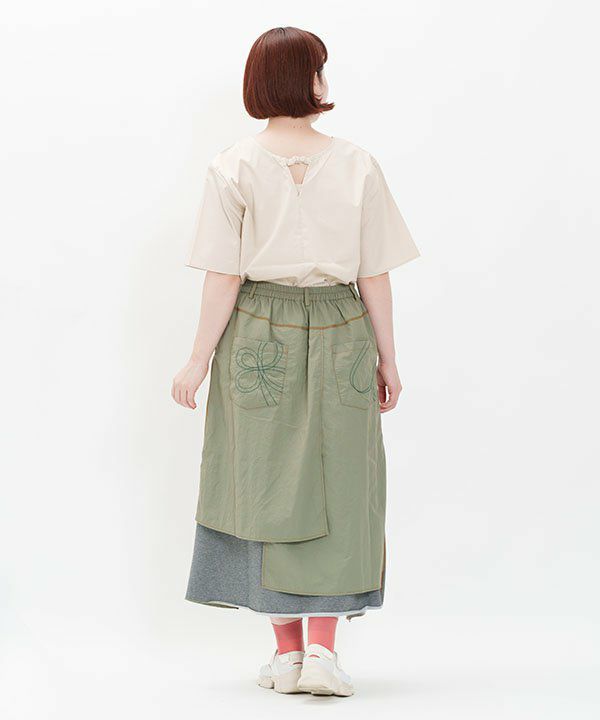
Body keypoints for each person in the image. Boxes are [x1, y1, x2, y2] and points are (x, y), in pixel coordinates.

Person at [172, 26, 419, 697]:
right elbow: (374, 274)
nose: (323, 81)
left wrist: (197, 360)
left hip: (258, 329)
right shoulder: (358, 163)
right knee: (342, 485)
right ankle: (322, 654)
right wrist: (388, 356)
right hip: (342, 326)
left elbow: (224, 276)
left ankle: (287, 656)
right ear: (308, 80)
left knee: (263, 480)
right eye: (319, 70)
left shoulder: (233, 165)